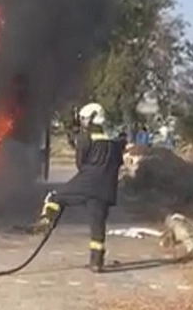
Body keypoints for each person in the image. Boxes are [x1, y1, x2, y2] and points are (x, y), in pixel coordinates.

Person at [37, 102, 126, 273]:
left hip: (86, 183)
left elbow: (80, 164)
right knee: (98, 226)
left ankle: (46, 221)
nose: (83, 122)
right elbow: (117, 164)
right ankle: (96, 263)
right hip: (105, 190)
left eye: (85, 119)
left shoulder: (85, 139)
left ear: (92, 118)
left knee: (55, 197)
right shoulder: (115, 145)